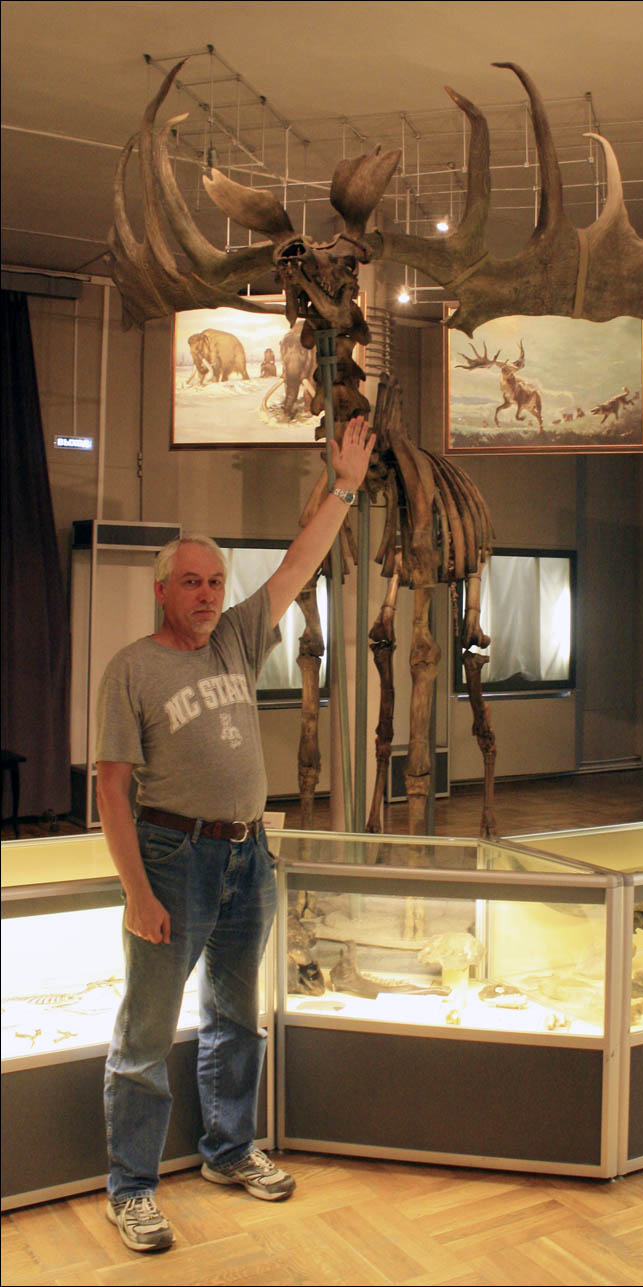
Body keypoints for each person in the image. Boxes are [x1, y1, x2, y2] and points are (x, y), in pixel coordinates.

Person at [96, 415, 375, 1253]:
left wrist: (347, 486)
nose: (209, 594)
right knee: (146, 1030)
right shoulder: (133, 669)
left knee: (235, 1012)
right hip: (172, 858)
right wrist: (135, 890)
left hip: (250, 853)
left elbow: (297, 563)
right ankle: (133, 1188)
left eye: (216, 580)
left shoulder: (236, 639)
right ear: (162, 589)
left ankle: (227, 1149)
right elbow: (110, 787)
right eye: (192, 582)